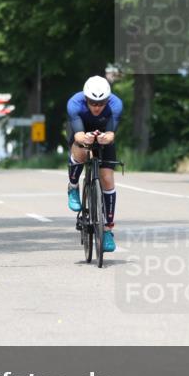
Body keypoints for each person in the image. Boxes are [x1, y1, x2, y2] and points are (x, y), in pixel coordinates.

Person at [65, 76, 123, 252]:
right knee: (81, 152)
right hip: (81, 130)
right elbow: (78, 136)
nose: (97, 107)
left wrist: (106, 138)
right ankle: (73, 186)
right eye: (92, 102)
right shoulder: (74, 103)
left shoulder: (116, 105)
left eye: (101, 102)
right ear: (85, 98)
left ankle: (107, 229)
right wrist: (85, 138)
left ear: (108, 99)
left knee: (107, 178)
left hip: (104, 134)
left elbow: (112, 134)